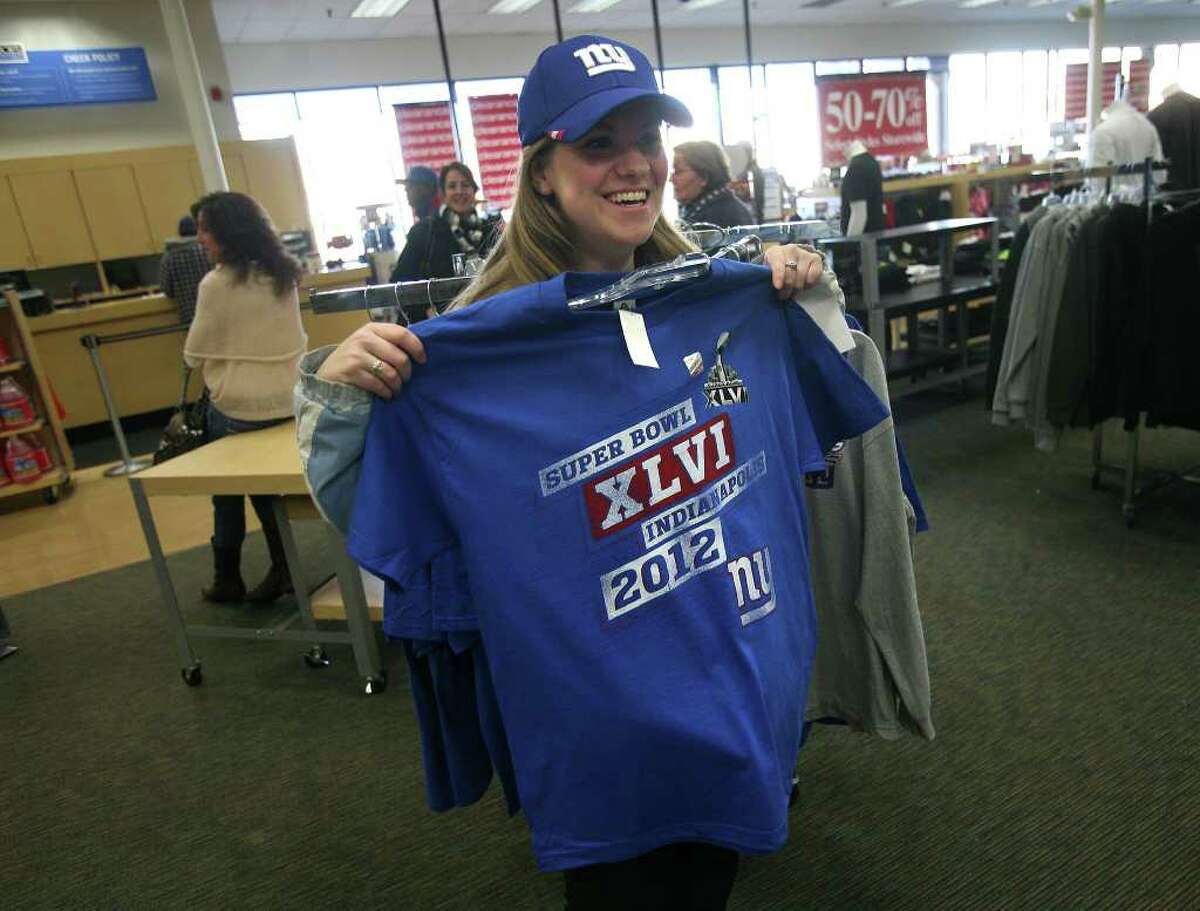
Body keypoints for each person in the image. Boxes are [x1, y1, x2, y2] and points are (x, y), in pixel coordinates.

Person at [296, 34, 825, 910]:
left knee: (711, 877)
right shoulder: (475, 348)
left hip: (735, 679)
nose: (635, 166)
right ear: (542, 170)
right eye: (599, 144)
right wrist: (344, 399)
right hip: (603, 717)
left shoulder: (715, 298)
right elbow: (381, 518)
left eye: (647, 139)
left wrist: (790, 283)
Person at [185, 192, 308, 604]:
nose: (200, 237)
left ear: (225, 233)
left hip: (237, 407)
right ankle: (282, 565)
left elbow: (193, 352)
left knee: (226, 491)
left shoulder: (216, 284)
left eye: (205, 228)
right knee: (265, 489)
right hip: (287, 401)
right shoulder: (283, 273)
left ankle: (228, 578)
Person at [389, 161, 501, 282]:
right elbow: (399, 281)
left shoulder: (490, 230)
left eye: (465, 185)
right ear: (443, 193)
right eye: (452, 186)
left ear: (474, 190)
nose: (459, 191)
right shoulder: (425, 232)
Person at [670, 140, 754, 227]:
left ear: (703, 177)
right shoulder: (721, 207)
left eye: (678, 172)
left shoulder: (712, 221)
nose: (671, 179)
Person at [159, 213, 210, 325]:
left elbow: (166, 289)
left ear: (180, 232)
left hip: (189, 315)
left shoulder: (169, 255)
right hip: (213, 309)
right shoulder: (207, 249)